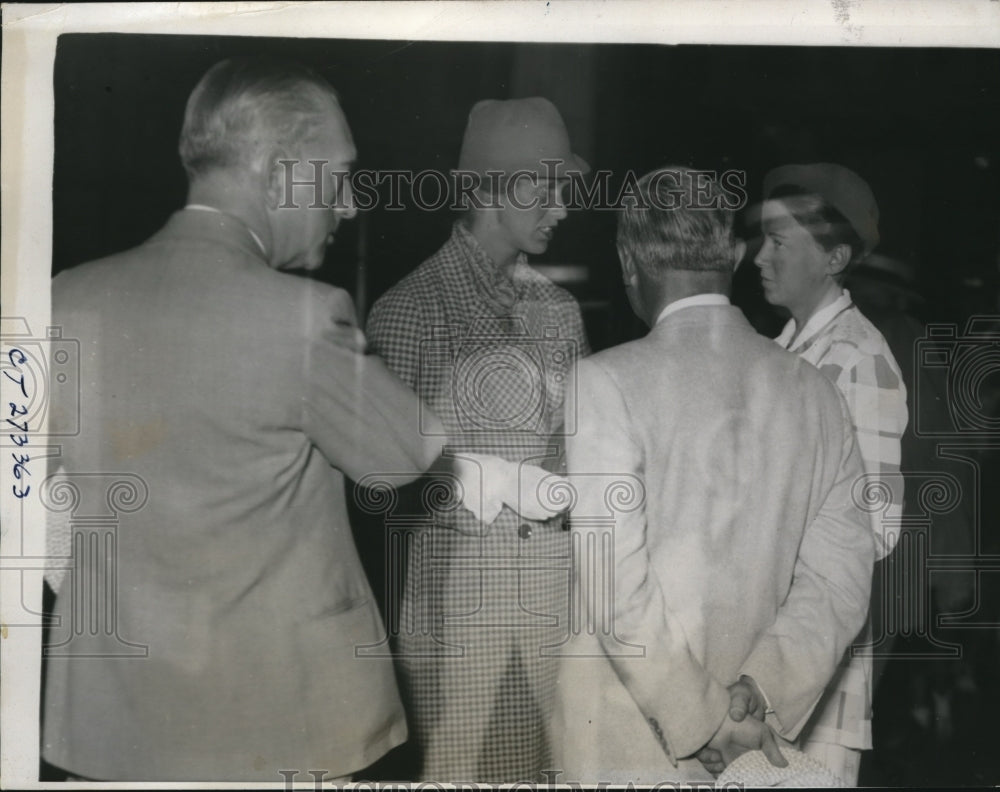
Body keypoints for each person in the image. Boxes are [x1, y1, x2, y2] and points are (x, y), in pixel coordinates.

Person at [42, 57, 444, 782]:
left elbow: (25, 501)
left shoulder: (64, 297)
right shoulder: (302, 316)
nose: (350, 204)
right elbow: (407, 455)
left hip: (113, 726)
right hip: (279, 727)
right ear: (281, 169)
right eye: (341, 173)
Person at [550, 166, 876, 784]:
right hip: (757, 741)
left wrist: (700, 719)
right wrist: (760, 690)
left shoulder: (603, 381)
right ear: (732, 253)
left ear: (628, 262)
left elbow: (612, 584)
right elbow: (839, 582)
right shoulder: (817, 394)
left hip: (624, 744)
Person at [365, 97, 590, 782]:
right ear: (498, 187)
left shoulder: (561, 312)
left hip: (550, 629)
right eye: (548, 188)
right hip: (450, 629)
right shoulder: (408, 311)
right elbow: (383, 492)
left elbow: (574, 471)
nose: (562, 206)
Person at [754, 163, 909, 785]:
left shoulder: (859, 360)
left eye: (779, 243)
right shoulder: (783, 350)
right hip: (766, 648)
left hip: (815, 661)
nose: (758, 258)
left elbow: (875, 529)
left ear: (834, 256)